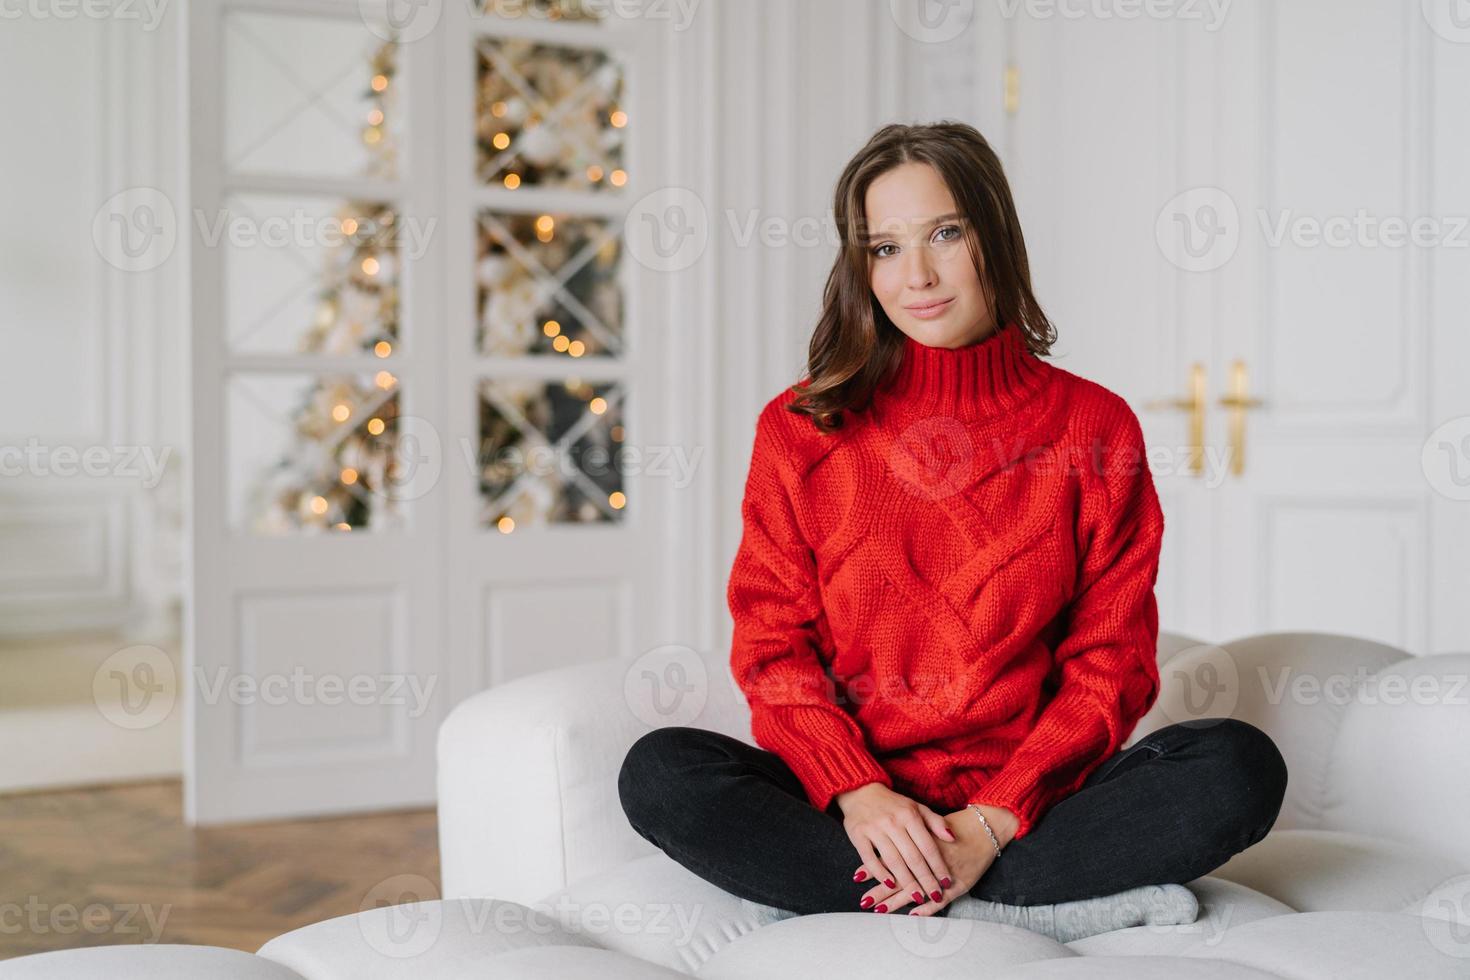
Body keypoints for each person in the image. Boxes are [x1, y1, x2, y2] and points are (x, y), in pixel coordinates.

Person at [618, 121, 1287, 940]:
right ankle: (1020, 901)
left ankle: (877, 892)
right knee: (660, 774)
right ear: (859, 267)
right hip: (858, 810)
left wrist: (994, 818)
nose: (919, 275)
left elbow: (1109, 664)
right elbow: (772, 648)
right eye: (885, 248)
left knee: (1237, 766)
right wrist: (859, 791)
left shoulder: (1094, 427)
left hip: (1028, 807)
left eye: (945, 233)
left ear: (993, 237)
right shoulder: (802, 430)